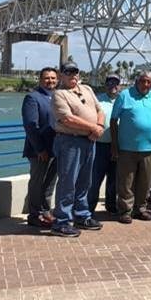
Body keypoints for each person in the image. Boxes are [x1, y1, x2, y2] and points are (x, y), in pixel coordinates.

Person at [50, 61, 104, 237]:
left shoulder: (86, 89)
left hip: (89, 140)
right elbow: (67, 119)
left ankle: (81, 215)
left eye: (75, 72)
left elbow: (99, 109)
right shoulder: (59, 94)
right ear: (62, 75)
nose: (72, 75)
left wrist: (99, 127)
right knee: (68, 182)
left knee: (84, 181)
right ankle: (62, 221)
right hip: (70, 142)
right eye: (68, 72)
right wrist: (93, 128)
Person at [111, 70, 151, 224]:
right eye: (142, 81)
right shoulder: (124, 95)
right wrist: (114, 145)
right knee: (126, 182)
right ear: (136, 81)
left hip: (150, 148)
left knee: (145, 182)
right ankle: (125, 211)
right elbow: (114, 121)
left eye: (148, 82)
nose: (145, 84)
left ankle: (141, 209)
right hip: (127, 148)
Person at [22, 67, 58, 228]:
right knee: (37, 182)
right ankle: (34, 214)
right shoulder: (32, 97)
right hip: (40, 150)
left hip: (56, 147)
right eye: (46, 78)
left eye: (53, 78)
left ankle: (45, 211)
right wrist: (40, 149)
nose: (50, 81)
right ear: (40, 80)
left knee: (50, 182)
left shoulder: (58, 96)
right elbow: (31, 126)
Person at [87, 74, 121, 215]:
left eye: (116, 83)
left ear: (120, 85)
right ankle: (89, 207)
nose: (113, 85)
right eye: (109, 82)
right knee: (94, 179)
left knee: (114, 179)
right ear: (105, 84)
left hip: (119, 146)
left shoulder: (123, 100)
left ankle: (111, 206)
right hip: (99, 145)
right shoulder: (97, 100)